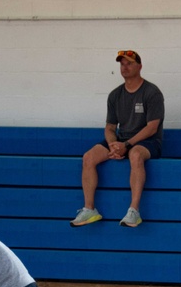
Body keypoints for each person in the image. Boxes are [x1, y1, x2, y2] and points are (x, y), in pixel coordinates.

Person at [70, 50, 164, 228]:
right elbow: (110, 127)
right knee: (88, 157)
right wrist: (114, 145)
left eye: (129, 63)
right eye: (122, 64)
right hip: (122, 141)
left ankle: (134, 211)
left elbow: (152, 127)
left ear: (140, 66)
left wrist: (126, 145)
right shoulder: (115, 95)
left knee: (135, 155)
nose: (125, 67)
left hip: (148, 142)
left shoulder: (152, 92)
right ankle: (89, 209)